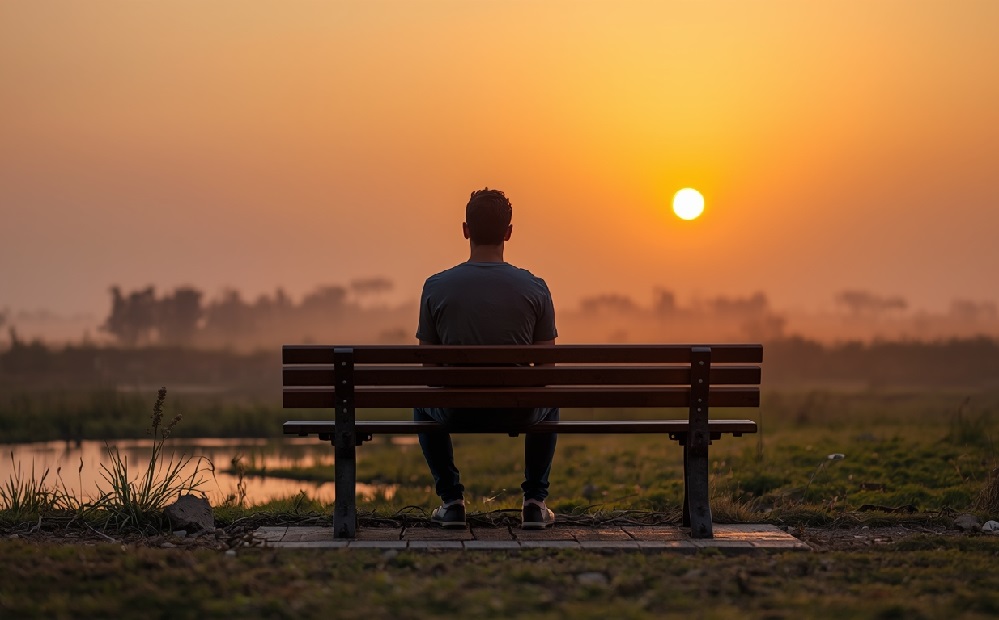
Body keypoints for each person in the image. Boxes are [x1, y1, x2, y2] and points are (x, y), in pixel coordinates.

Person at [415, 188, 559, 530]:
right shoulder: (535, 288)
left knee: (421, 403)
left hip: (455, 410)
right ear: (508, 232)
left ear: (466, 230)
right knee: (550, 400)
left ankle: (451, 501)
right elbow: (547, 370)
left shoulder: (435, 287)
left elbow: (428, 370)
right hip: (518, 410)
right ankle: (535, 503)